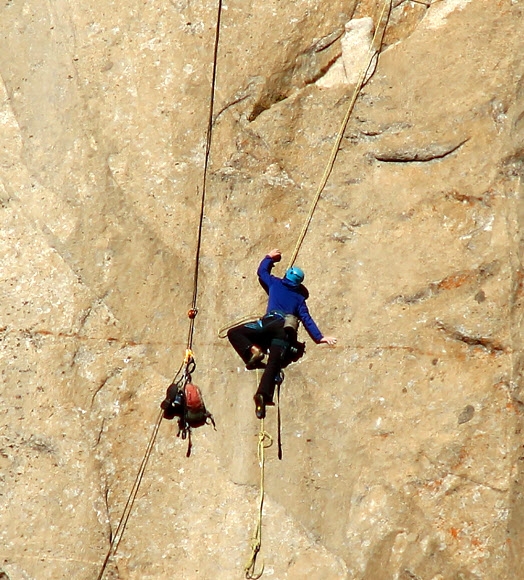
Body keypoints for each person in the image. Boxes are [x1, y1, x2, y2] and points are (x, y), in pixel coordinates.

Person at [227, 249, 337, 419]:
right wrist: (320, 337)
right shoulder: (299, 299)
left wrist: (269, 257)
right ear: (299, 284)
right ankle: (262, 395)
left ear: (286, 276)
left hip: (268, 323)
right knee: (273, 364)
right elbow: (306, 319)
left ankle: (252, 351)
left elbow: (261, 272)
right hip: (283, 330)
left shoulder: (275, 283)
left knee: (234, 333)